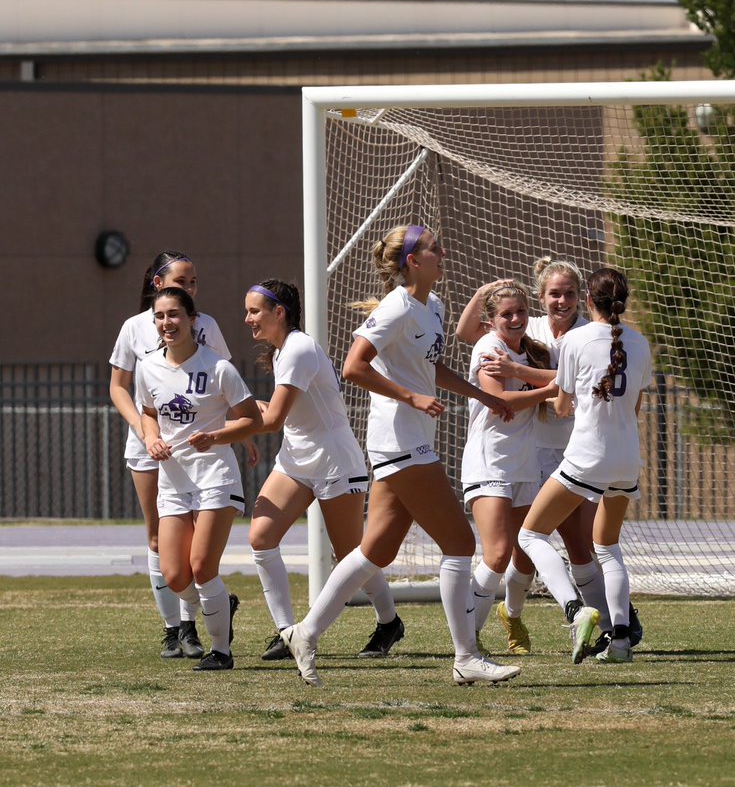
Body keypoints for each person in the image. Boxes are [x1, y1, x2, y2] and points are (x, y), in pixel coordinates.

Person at [280, 224, 520, 687]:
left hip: (411, 440)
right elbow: (353, 366)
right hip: (399, 440)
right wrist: (411, 398)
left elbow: (429, 370)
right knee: (459, 544)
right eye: (433, 248)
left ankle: (305, 632)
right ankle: (466, 657)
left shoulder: (433, 306)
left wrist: (484, 396)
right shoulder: (395, 306)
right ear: (413, 260)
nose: (441, 251)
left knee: (375, 551)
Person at [457, 257, 644, 656]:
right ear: (542, 298)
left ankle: (589, 617)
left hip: (575, 450)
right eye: (554, 294)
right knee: (525, 550)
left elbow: (564, 394)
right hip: (553, 451)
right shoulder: (531, 330)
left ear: (585, 298)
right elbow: (473, 337)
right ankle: (602, 625)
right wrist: (484, 296)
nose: (562, 301)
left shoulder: (581, 335)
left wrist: (519, 373)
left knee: (558, 543)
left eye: (570, 294)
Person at [243, 279, 405, 663]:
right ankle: (287, 631)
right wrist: (237, 406)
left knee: (351, 554)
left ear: (278, 313)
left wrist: (219, 432)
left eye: (254, 311)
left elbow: (275, 419)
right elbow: (285, 413)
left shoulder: (297, 348)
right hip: (297, 460)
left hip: (334, 461)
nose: (247, 318)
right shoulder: (282, 350)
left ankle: (389, 622)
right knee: (261, 537)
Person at [108, 250, 242, 659]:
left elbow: (231, 399)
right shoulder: (135, 328)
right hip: (152, 444)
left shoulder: (207, 331)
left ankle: (196, 627)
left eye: (192, 283)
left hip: (200, 452)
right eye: (181, 281)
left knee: (199, 561)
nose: (188, 289)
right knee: (159, 541)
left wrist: (243, 435)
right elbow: (120, 389)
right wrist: (144, 431)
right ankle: (174, 627)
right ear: (157, 285)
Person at [517, 267, 653, 664]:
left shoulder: (575, 340)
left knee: (530, 536)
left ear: (588, 300)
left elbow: (561, 407)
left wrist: (521, 393)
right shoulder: (641, 343)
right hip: (628, 459)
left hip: (586, 457)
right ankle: (622, 641)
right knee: (607, 548)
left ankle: (575, 611)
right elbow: (637, 406)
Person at [137, 287, 263, 670]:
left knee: (202, 567)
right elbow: (147, 412)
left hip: (216, 477)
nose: (166, 323)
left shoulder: (218, 367)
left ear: (193, 320)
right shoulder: (148, 367)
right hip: (174, 481)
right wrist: (152, 438)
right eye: (160, 316)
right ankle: (221, 604)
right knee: (175, 575)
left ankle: (221, 652)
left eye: (174, 315)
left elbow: (252, 420)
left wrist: (217, 436)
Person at [459, 282, 557, 653]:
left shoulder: (529, 352)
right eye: (506, 314)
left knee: (525, 553)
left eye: (520, 312)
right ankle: (467, 635)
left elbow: (569, 379)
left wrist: (534, 376)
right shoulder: (488, 347)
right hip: (489, 462)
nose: (515, 319)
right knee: (497, 553)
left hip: (524, 462)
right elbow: (500, 399)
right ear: (490, 321)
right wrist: (550, 389)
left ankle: (512, 616)